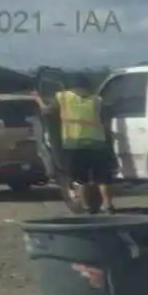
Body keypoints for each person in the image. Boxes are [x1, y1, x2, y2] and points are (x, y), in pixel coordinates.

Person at [56, 84, 116, 213]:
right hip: (97, 144)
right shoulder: (97, 100)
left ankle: (86, 207)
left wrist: (36, 98)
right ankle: (108, 206)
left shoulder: (65, 97)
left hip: (75, 144)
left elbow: (46, 108)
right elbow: (106, 120)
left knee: (80, 179)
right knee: (103, 178)